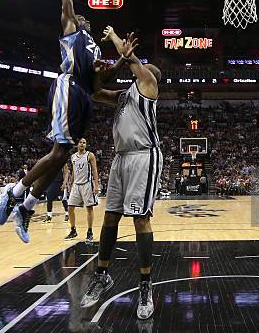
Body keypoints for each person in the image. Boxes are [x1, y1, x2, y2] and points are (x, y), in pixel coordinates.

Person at [0, 0, 122, 243]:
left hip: (82, 97)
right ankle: (15, 193)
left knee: (62, 156)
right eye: (82, 16)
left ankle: (25, 205)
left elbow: (97, 88)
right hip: (67, 87)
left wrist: (118, 64)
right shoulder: (71, 29)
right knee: (58, 152)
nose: (85, 18)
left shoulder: (95, 48)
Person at [81, 28, 162, 321]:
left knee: (141, 218)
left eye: (143, 67)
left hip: (144, 155)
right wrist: (94, 70)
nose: (141, 69)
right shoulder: (124, 95)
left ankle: (145, 285)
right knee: (111, 216)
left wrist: (116, 38)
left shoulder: (150, 85)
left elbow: (133, 63)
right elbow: (95, 92)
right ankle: (102, 275)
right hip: (120, 158)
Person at [65, 138, 99, 244]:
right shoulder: (73, 157)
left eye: (84, 142)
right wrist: (71, 184)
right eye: (80, 142)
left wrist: (96, 185)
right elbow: (74, 171)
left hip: (87, 184)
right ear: (77, 144)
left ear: (86, 145)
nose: (82, 144)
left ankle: (89, 231)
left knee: (89, 208)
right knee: (70, 208)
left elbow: (94, 170)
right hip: (76, 185)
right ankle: (73, 230)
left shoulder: (90, 155)